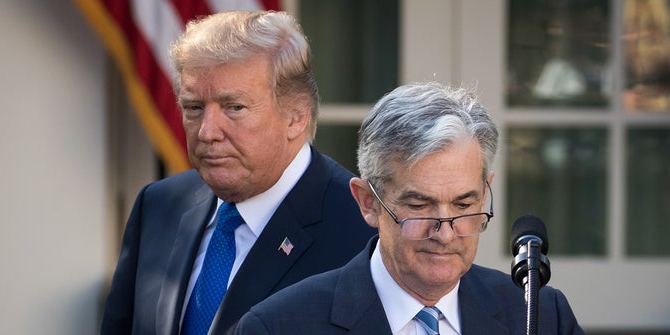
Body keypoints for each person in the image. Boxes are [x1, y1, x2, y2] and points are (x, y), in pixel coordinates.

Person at [99, 10, 376, 335]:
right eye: (194, 108)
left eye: (234, 108)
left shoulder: (364, 229)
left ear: (296, 117)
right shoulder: (158, 205)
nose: (206, 132)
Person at [235, 82, 585, 335]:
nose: (445, 233)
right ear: (368, 202)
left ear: (485, 194)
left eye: (464, 204)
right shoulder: (279, 326)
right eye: (420, 205)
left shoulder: (539, 316)